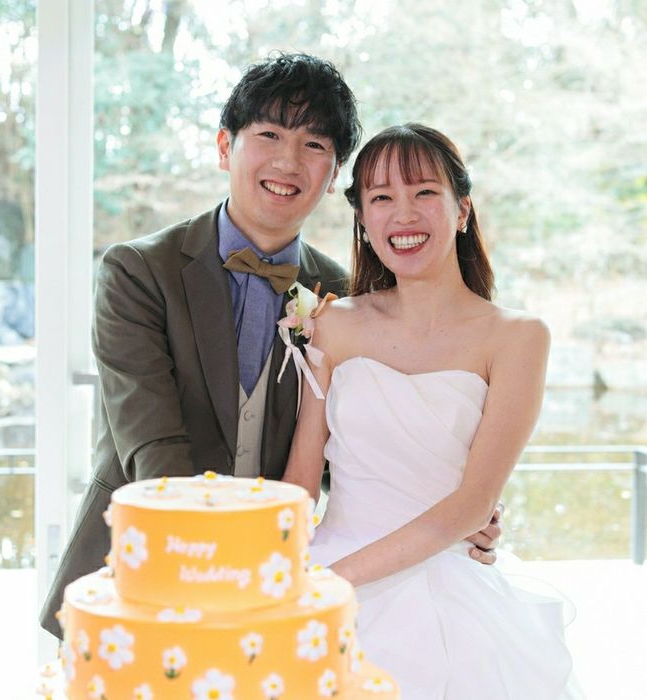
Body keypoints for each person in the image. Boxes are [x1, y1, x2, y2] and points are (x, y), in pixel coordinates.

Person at [39, 55, 501, 638]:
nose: (288, 160)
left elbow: (356, 447)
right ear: (225, 147)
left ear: (333, 176)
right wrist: (225, 571)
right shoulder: (138, 272)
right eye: (269, 135)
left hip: (277, 577)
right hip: (145, 565)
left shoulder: (341, 295)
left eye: (315, 144)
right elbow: (154, 450)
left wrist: (454, 512)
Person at [283, 123, 583, 699]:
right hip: (323, 562)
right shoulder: (331, 322)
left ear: (462, 209)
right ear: (363, 220)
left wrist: (333, 583)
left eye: (424, 192)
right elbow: (301, 478)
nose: (404, 214)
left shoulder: (518, 337)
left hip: (449, 588)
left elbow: (472, 503)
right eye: (381, 197)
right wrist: (279, 574)